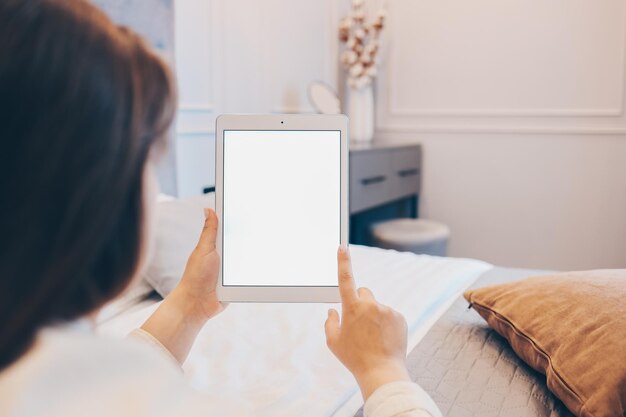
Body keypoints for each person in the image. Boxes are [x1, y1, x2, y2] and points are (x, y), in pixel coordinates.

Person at [0, 1, 441, 416]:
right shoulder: (150, 401)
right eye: (150, 164)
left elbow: (85, 380)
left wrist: (188, 305)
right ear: (104, 199)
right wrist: (385, 372)